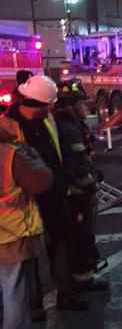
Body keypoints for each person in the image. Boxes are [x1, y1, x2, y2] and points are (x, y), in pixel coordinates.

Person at [3, 75, 88, 311]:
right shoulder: (10, 125)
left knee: (61, 242)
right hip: (27, 199)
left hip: (54, 192)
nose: (53, 107)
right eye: (50, 103)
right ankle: (34, 305)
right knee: (28, 257)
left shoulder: (46, 120)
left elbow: (56, 154)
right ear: (42, 104)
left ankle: (66, 294)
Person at [0, 121, 53, 329]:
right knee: (15, 290)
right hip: (10, 235)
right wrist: (34, 157)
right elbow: (42, 181)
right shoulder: (11, 154)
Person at [54, 82, 107, 291]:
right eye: (82, 104)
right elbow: (76, 163)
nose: (86, 108)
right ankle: (81, 281)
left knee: (80, 237)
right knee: (80, 237)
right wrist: (90, 188)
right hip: (76, 195)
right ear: (70, 106)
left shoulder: (68, 125)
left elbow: (83, 160)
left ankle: (82, 277)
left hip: (74, 193)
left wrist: (94, 173)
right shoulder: (69, 129)